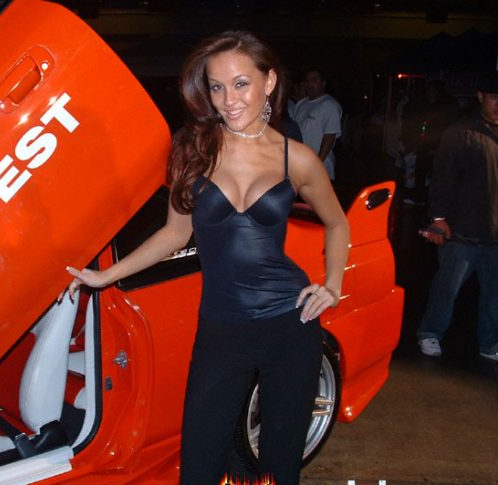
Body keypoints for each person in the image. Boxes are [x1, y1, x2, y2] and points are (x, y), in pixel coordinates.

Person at [65, 31, 349, 485]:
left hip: (289, 323)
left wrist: (332, 285)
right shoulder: (193, 151)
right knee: (200, 457)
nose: (228, 100)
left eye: (241, 84)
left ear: (269, 82)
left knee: (280, 460)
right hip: (222, 326)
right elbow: (175, 233)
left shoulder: (296, 159)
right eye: (217, 87)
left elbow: (337, 223)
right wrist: (107, 275)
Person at [416, 74, 498, 361]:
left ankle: (491, 343)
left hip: (495, 233)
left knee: (494, 295)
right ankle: (430, 332)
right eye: (494, 97)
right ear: (481, 97)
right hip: (463, 230)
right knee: (447, 288)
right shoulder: (461, 132)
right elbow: (442, 179)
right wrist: (438, 218)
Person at [292, 69, 342, 180]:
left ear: (323, 83)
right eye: (307, 80)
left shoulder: (329, 105)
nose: (310, 83)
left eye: (314, 79)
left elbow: (329, 137)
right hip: (299, 164)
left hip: (320, 166)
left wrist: (317, 164)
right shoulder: (301, 104)